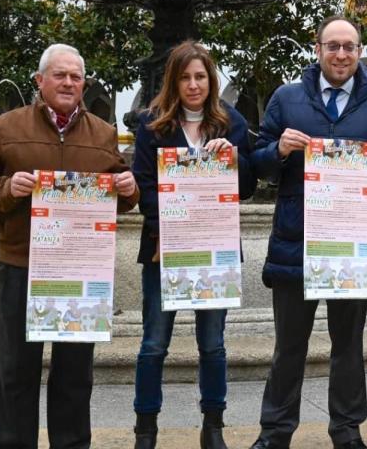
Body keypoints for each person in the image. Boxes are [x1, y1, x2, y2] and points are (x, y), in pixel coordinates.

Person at [0, 43, 138, 449]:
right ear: (40, 81)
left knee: (76, 375)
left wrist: (130, 190)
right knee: (16, 371)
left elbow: (122, 192)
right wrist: (7, 187)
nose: (69, 83)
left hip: (80, 271)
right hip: (23, 266)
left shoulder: (103, 132)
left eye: (76, 76)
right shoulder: (6, 127)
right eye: (60, 75)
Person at [249, 15, 367, 449]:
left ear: (360, 52)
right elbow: (257, 165)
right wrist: (278, 150)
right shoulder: (287, 98)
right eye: (333, 46)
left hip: (354, 248)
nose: (341, 55)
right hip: (295, 245)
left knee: (348, 347)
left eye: (349, 47)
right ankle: (275, 432)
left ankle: (347, 430)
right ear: (317, 49)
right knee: (288, 348)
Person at [131, 41, 256, 449]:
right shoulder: (152, 125)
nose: (193, 85)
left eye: (200, 76)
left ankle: (213, 425)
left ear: (211, 79)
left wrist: (234, 159)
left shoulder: (231, 123)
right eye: (185, 77)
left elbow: (249, 187)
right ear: (173, 81)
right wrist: (180, 212)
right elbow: (144, 191)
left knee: (213, 343)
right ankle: (146, 428)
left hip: (215, 251)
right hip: (163, 249)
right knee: (154, 343)